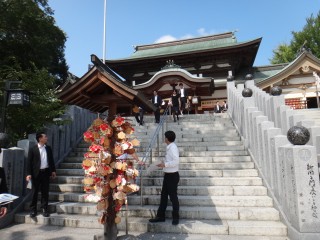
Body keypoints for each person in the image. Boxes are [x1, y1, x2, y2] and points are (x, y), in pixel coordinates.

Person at [149, 130, 180, 225]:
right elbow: (170, 160)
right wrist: (162, 162)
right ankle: (160, 216)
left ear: (167, 138)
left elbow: (176, 161)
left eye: (164, 136)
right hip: (168, 175)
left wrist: (164, 164)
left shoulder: (173, 147)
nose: (164, 138)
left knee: (173, 197)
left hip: (172, 175)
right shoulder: (169, 147)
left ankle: (176, 217)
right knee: (163, 196)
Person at [26, 132, 56, 217]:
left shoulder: (48, 148)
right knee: (34, 192)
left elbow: (51, 160)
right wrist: (28, 174)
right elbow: (29, 162)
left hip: (46, 172)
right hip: (36, 173)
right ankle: (33, 210)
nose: (46, 138)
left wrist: (53, 171)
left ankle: (44, 209)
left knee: (45, 192)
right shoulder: (33, 149)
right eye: (45, 136)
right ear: (40, 139)